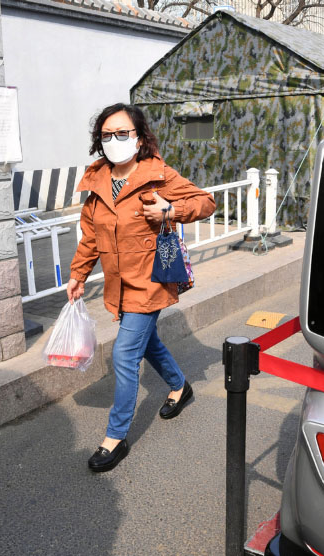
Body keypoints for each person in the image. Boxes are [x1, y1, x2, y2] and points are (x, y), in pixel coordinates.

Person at [67, 103, 216, 472]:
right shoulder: (97, 181)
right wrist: (78, 275)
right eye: (107, 135)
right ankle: (181, 386)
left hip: (150, 281)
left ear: (138, 136)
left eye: (122, 133)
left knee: (124, 355)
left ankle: (115, 438)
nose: (114, 141)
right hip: (119, 286)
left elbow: (205, 201)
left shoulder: (157, 174)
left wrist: (170, 211)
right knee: (146, 342)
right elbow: (90, 237)